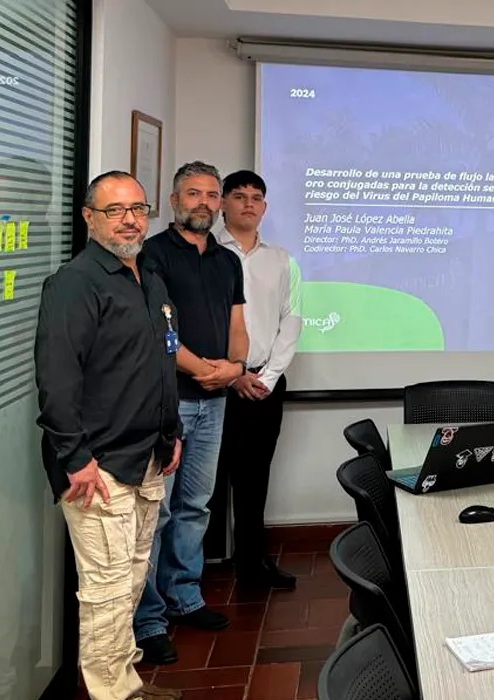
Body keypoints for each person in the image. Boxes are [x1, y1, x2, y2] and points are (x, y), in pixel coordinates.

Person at [34, 171, 182, 699]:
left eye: (137, 209)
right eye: (115, 210)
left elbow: (162, 363)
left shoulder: (149, 279)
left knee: (132, 581)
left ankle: (126, 683)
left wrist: (173, 431)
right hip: (96, 469)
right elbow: (56, 381)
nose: (129, 220)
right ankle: (110, 694)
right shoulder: (75, 283)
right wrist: (75, 459)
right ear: (89, 218)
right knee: (106, 591)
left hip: (147, 458)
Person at [134, 161, 248, 665]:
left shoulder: (227, 260)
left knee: (196, 506)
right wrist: (207, 368)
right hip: (169, 400)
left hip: (216, 399)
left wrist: (236, 365)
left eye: (210, 194)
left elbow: (237, 322)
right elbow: (157, 329)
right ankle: (149, 619)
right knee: (155, 513)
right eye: (192, 193)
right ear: (174, 199)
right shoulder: (152, 254)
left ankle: (185, 596)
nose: (203, 202)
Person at [212, 170, 302, 587]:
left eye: (256, 197)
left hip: (265, 384)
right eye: (239, 195)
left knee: (255, 478)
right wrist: (234, 376)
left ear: (264, 207)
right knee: (208, 482)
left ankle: (253, 564)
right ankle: (201, 571)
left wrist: (266, 375)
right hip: (215, 384)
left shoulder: (281, 259)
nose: (248, 203)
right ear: (223, 203)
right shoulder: (207, 252)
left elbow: (291, 320)